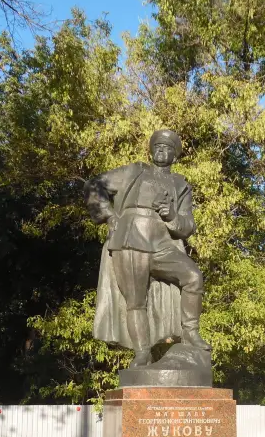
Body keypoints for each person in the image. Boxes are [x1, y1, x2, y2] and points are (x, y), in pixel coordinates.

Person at [84, 129, 211, 367]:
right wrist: (109, 216)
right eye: (158, 146)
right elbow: (94, 186)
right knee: (136, 301)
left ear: (175, 156)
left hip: (163, 242)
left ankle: (190, 332)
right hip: (131, 239)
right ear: (151, 150)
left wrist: (171, 214)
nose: (162, 151)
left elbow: (187, 226)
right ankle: (142, 353)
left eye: (168, 148)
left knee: (193, 277)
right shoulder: (133, 171)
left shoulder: (180, 184)